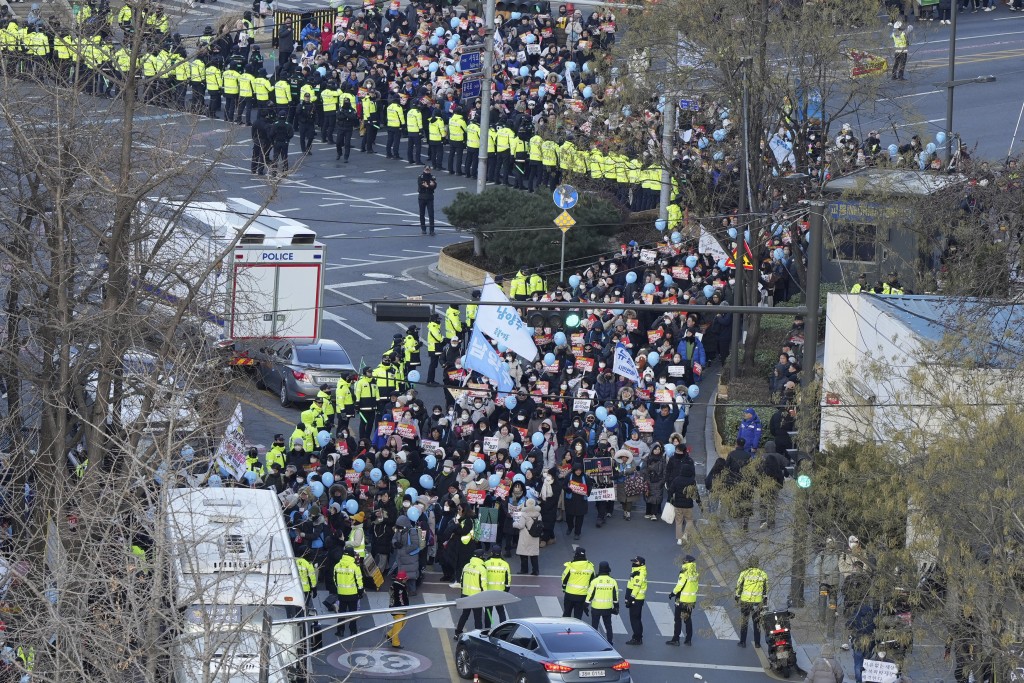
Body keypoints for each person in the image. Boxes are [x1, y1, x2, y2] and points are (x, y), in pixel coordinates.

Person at [735, 555, 768, 648]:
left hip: (745, 602)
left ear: (749, 563)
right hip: (757, 602)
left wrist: (737, 596)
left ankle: (743, 642)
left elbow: (739, 586)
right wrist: (765, 599)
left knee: (744, 621)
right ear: (757, 563)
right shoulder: (763, 574)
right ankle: (757, 643)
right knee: (757, 622)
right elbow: (765, 589)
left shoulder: (744, 573)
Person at [454, 549, 487, 636]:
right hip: (477, 597)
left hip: (465, 595)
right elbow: (483, 585)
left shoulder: (466, 566)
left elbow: (461, 580)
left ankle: (457, 633)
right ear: (481, 557)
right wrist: (486, 597)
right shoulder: (482, 568)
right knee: (477, 618)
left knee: (464, 615)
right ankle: (478, 636)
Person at [667, 555, 698, 645]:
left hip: (681, 600)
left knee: (677, 619)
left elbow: (680, 585)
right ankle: (688, 640)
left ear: (687, 561)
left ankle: (676, 639)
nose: (683, 561)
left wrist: (672, 593)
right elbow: (695, 587)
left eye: (684, 560)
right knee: (687, 619)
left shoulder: (684, 572)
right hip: (690, 600)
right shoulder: (695, 572)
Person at [333, 547, 364, 637]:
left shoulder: (337, 566)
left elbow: (335, 580)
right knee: (353, 613)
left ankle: (340, 631)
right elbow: (359, 581)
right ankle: (353, 631)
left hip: (341, 593)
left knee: (341, 613)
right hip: (352, 594)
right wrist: (360, 591)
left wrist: (339, 589)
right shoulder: (355, 567)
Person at [586, 561, 618, 644]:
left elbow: (590, 594)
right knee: (608, 626)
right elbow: (615, 596)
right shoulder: (613, 581)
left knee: (594, 626)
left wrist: (585, 605)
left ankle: (594, 642)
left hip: (596, 608)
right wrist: (616, 606)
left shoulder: (595, 581)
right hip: (607, 608)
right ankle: (610, 641)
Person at [815, 538, 842, 638]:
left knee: (833, 603)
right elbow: (816, 566)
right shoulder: (822, 554)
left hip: (834, 584)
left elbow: (842, 568)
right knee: (822, 601)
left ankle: (831, 617)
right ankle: (822, 619)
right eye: (829, 543)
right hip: (824, 583)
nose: (830, 545)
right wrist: (818, 578)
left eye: (832, 543)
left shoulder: (838, 554)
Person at [561, 546, 594, 619]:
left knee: (566, 614)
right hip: (582, 596)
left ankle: (566, 629)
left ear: (576, 555)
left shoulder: (571, 565)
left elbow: (564, 578)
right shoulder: (590, 566)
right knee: (578, 617)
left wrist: (564, 588)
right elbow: (592, 581)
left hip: (569, 594)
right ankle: (576, 629)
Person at [483, 544, 511, 626]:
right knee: (501, 611)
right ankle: (503, 628)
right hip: (500, 592)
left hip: (488, 592)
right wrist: (506, 591)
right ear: (501, 553)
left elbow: (483, 577)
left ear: (491, 553)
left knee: (488, 612)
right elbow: (508, 580)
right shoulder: (505, 564)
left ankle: (488, 628)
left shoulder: (486, 563)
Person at [513, 497, 541, 575]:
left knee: (523, 554)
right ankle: (536, 570)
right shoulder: (538, 514)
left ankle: (524, 570)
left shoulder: (524, 514)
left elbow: (521, 525)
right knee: (533, 554)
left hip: (525, 536)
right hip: (535, 536)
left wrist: (514, 524)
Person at [624, 556, 647, 645]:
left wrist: (631, 598)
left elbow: (637, 587)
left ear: (641, 563)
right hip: (637, 598)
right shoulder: (636, 570)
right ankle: (638, 637)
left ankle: (637, 638)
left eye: (635, 562)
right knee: (637, 619)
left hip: (636, 599)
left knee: (634, 619)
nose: (633, 563)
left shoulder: (640, 573)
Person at [385, 570, 410, 648]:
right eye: (405, 579)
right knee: (398, 625)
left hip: (395, 608)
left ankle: (389, 634)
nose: (406, 580)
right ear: (402, 579)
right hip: (399, 609)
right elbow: (401, 599)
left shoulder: (396, 586)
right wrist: (404, 607)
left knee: (400, 623)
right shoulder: (400, 588)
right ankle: (395, 642)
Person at [417, 166, 437, 235]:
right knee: (422, 214)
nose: (427, 171)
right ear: (424, 170)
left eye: (428, 170)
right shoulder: (421, 177)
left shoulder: (432, 177)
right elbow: (421, 185)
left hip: (430, 198)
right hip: (422, 197)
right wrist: (429, 186)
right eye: (426, 170)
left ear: (430, 170)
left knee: (431, 214)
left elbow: (434, 186)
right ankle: (423, 229)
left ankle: (432, 230)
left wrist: (427, 185)